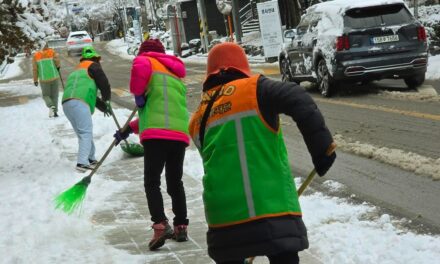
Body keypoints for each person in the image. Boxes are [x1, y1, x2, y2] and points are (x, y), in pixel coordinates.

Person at [188, 42, 337, 264]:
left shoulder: (198, 117)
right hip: (271, 212)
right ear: (242, 68)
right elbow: (297, 98)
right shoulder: (255, 89)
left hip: (223, 223)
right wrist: (322, 149)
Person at [113, 39, 190, 251]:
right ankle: (181, 226)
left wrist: (138, 93)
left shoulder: (145, 61)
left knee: (151, 181)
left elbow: (137, 80)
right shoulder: (174, 75)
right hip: (178, 135)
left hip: (156, 137)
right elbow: (157, 111)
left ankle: (160, 225)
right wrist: (128, 129)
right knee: (175, 182)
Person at [62, 46, 112, 172]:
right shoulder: (94, 66)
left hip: (67, 103)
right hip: (79, 102)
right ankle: (82, 162)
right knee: (85, 133)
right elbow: (104, 83)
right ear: (95, 58)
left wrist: (103, 107)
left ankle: (90, 158)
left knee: (82, 133)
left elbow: (89, 93)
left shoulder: (78, 70)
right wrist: (107, 99)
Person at [32, 42, 61, 117]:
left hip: (44, 79)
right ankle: (55, 112)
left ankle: (51, 105)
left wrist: (35, 80)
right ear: (46, 45)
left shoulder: (36, 55)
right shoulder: (52, 52)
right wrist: (58, 67)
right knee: (55, 95)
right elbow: (57, 61)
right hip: (54, 77)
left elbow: (35, 69)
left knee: (46, 95)